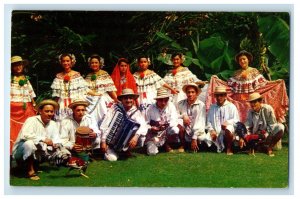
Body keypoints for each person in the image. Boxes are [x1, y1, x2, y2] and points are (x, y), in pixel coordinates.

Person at [206, 50, 288, 123]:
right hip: (238, 102)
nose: (242, 61)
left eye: (244, 59)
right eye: (240, 60)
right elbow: (228, 86)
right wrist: (217, 80)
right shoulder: (236, 73)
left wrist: (275, 82)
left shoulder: (254, 71)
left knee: (251, 120)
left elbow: (264, 83)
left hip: (250, 101)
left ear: (248, 60)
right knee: (239, 120)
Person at [12, 99, 61, 180]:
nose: (49, 114)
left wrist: (56, 144)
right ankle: (30, 171)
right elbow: (25, 135)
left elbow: (56, 138)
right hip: (20, 151)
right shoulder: (31, 120)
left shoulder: (53, 123)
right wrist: (43, 139)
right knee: (29, 144)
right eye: (47, 111)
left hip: (40, 151)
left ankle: (35, 164)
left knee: (63, 151)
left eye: (51, 111)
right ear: (40, 111)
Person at [100, 89, 147, 161]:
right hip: (111, 142)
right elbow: (105, 125)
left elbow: (143, 125)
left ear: (133, 99)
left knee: (141, 136)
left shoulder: (136, 111)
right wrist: (103, 141)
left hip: (126, 141)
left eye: (130, 98)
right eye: (126, 98)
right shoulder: (114, 109)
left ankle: (125, 150)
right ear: (121, 100)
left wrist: (136, 137)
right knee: (112, 159)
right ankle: (113, 151)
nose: (128, 100)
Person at [145, 87, 184, 155]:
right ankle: (159, 145)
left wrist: (164, 128)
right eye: (161, 100)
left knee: (175, 129)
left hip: (166, 130)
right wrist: (151, 128)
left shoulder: (171, 106)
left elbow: (174, 120)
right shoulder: (150, 108)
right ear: (157, 100)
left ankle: (167, 144)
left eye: (165, 100)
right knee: (152, 153)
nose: (163, 103)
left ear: (168, 99)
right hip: (154, 134)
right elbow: (145, 124)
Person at [51, 53, 89, 123]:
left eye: (67, 61)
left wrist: (97, 94)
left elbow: (84, 91)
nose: (66, 63)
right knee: (62, 122)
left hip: (75, 102)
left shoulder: (77, 75)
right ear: (61, 62)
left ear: (72, 61)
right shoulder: (58, 77)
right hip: (62, 104)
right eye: (64, 61)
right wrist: (54, 107)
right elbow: (57, 96)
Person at [244, 92, 284, 156]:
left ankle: (269, 147)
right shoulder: (250, 111)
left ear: (260, 101)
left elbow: (272, 124)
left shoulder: (268, 109)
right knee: (243, 135)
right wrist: (244, 135)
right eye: (251, 102)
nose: (252, 104)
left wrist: (266, 134)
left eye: (254, 102)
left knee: (280, 127)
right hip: (256, 135)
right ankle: (259, 146)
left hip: (268, 133)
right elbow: (248, 125)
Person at [10, 56, 37, 153]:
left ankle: (28, 152)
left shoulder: (26, 78)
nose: (18, 67)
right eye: (15, 65)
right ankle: (13, 152)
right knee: (12, 129)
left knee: (27, 127)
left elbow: (30, 92)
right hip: (13, 107)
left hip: (26, 107)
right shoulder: (9, 78)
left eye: (19, 65)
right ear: (12, 67)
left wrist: (34, 105)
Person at [85, 54, 118, 127]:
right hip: (91, 99)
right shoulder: (88, 76)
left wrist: (116, 99)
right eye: (92, 63)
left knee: (104, 113)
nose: (94, 64)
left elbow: (110, 89)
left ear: (100, 64)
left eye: (96, 62)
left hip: (102, 97)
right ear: (90, 64)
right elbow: (85, 90)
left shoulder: (104, 74)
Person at [206, 86, 240, 155]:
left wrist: (228, 122)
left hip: (227, 132)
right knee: (203, 138)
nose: (219, 97)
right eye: (217, 95)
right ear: (215, 96)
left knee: (228, 128)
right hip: (216, 132)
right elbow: (208, 121)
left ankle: (229, 147)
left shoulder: (231, 106)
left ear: (225, 96)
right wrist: (212, 130)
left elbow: (236, 120)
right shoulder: (212, 107)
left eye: (221, 95)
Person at [177, 83, 208, 152]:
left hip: (196, 130)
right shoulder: (180, 103)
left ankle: (195, 144)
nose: (190, 94)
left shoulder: (201, 105)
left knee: (202, 139)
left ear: (196, 93)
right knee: (178, 122)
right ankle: (183, 144)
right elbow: (174, 116)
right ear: (186, 93)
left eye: (192, 92)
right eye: (188, 92)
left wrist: (194, 137)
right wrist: (183, 116)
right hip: (185, 130)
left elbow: (200, 122)